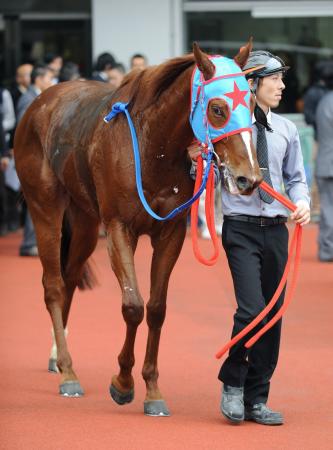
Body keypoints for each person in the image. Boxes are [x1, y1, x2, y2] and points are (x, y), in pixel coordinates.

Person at [189, 51, 310, 425]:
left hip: (276, 230)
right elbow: (204, 168)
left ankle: (258, 398)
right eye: (274, 79)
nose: (282, 86)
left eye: (282, 79)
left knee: (272, 316)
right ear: (252, 85)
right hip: (240, 228)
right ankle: (232, 383)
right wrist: (197, 159)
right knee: (252, 310)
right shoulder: (227, 133)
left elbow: (296, 178)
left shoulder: (288, 130)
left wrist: (302, 202)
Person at [16, 64, 54, 256]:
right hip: (32, 157)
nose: (51, 82)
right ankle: (29, 243)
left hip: (38, 157)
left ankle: (33, 242)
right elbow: (25, 127)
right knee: (35, 200)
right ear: (38, 79)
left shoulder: (36, 97)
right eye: (48, 78)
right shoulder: (28, 99)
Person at [315, 61, 333, 262]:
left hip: (325, 159)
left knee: (328, 207)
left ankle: (327, 247)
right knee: (328, 208)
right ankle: (328, 249)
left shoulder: (324, 100)